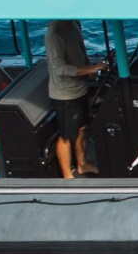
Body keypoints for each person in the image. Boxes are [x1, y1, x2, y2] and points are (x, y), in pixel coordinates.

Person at [43, 19, 107, 179]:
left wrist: (89, 64)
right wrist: (90, 69)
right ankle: (67, 175)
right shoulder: (54, 35)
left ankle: (82, 164)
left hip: (80, 89)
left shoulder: (74, 24)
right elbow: (59, 69)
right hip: (65, 94)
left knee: (82, 129)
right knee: (66, 135)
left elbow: (81, 49)